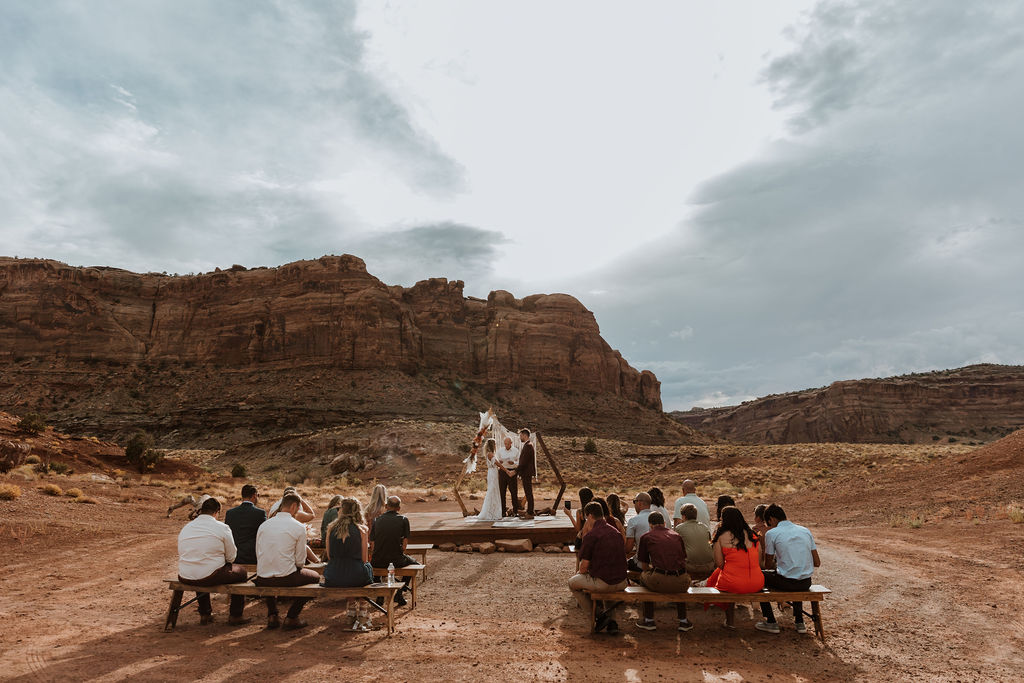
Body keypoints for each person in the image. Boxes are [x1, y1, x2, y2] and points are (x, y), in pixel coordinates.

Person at [177, 496, 249, 625]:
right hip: (209, 576)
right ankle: (236, 615)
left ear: (201, 510)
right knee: (242, 573)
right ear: (217, 512)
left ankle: (205, 613)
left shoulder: (187, 527)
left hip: (185, 575)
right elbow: (231, 557)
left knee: (201, 566)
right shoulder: (222, 527)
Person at [255, 493, 321, 630]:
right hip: (286, 577)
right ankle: (292, 617)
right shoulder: (298, 527)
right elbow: (300, 561)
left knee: (270, 571)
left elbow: (259, 552)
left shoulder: (263, 525)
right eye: (298, 508)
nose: (298, 511)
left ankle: (272, 614)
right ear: (293, 506)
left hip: (262, 577)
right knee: (315, 578)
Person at [756, 504, 821, 635]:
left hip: (787, 582)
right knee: (796, 572)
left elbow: (767, 565)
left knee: (758, 577)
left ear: (772, 519)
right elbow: (817, 562)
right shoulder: (805, 530)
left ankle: (771, 621)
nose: (769, 526)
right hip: (805, 582)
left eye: (769, 523)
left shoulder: (772, 533)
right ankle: (799, 621)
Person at [568, 501, 628, 634]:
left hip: (604, 582)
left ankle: (599, 615)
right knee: (608, 582)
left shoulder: (591, 535)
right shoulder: (616, 533)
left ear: (589, 516)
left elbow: (583, 568)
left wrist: (581, 573)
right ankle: (612, 622)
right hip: (622, 581)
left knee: (572, 583)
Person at [706, 506, 764, 630]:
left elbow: (720, 564)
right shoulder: (753, 535)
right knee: (730, 576)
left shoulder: (721, 537)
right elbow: (758, 561)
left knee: (724, 577)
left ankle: (730, 621)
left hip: (734, 583)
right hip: (757, 582)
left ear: (724, 520)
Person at [633, 512, 693, 632]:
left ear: (650, 524)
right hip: (682, 580)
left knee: (644, 577)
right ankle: (683, 621)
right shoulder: (676, 535)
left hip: (660, 579)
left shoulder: (646, 537)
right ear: (665, 523)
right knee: (679, 584)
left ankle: (649, 620)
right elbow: (683, 559)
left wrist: (652, 571)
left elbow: (644, 566)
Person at [322, 498, 375, 630]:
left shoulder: (331, 528)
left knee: (347, 569)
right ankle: (362, 610)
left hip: (333, 576)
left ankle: (351, 610)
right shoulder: (362, 530)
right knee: (365, 569)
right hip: (355, 575)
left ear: (342, 510)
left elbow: (329, 556)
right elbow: (364, 559)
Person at [369, 495, 416, 607]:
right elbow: (404, 547)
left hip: (378, 561)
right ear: (399, 508)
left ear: (386, 506)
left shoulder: (376, 520)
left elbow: (372, 546)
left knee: (376, 564)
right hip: (396, 560)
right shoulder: (404, 520)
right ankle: (399, 592)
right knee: (414, 565)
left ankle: (380, 595)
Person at [224, 484, 266, 565]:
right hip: (253, 558)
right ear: (254, 495)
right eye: (258, 495)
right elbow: (263, 535)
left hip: (234, 557)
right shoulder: (260, 513)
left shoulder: (230, 513)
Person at [674, 503, 716, 579]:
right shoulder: (704, 527)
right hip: (709, 565)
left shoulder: (679, 528)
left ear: (683, 516)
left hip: (690, 566)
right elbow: (709, 543)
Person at [473, 440, 504, 521]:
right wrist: (506, 471)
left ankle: (493, 511)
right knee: (492, 491)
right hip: (493, 473)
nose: (496, 445)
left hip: (493, 472)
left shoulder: (491, 454)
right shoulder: (490, 454)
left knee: (494, 491)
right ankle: (490, 512)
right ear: (492, 445)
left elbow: (495, 462)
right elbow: (497, 464)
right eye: (495, 444)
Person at [625, 492, 653, 571]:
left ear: (639, 503)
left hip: (641, 565)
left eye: (634, 501)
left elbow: (628, 549)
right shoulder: (659, 517)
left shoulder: (633, 520)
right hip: (658, 564)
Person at [497, 436, 520, 518]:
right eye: (505, 444)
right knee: (502, 492)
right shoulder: (500, 450)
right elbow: (497, 460)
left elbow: (518, 462)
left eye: (507, 443)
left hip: (512, 472)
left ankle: (515, 511)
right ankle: (503, 511)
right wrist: (500, 461)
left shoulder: (516, 451)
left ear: (511, 443)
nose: (506, 445)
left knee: (514, 492)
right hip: (502, 472)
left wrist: (513, 462)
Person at [516, 428, 536, 518]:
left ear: (525, 435)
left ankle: (530, 512)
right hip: (526, 473)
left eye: (521, 435)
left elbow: (524, 462)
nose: (520, 437)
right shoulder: (528, 445)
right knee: (528, 492)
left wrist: (516, 471)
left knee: (528, 492)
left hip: (526, 473)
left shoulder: (528, 446)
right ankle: (530, 511)